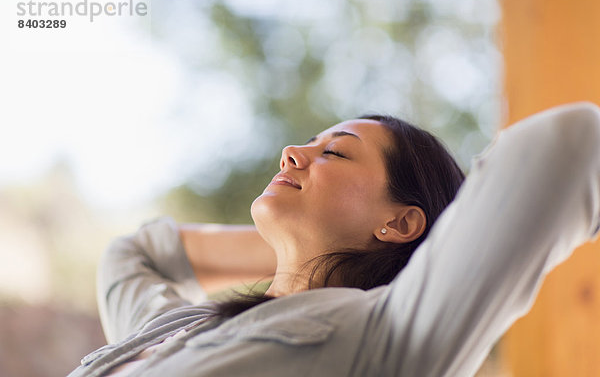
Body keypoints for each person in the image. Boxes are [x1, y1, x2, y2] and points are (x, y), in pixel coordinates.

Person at [69, 102, 600, 377]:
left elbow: (570, 145)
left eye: (335, 152)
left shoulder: (381, 339)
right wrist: (296, 249)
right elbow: (134, 254)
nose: (292, 152)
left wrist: (360, 252)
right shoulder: (178, 326)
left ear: (400, 224)